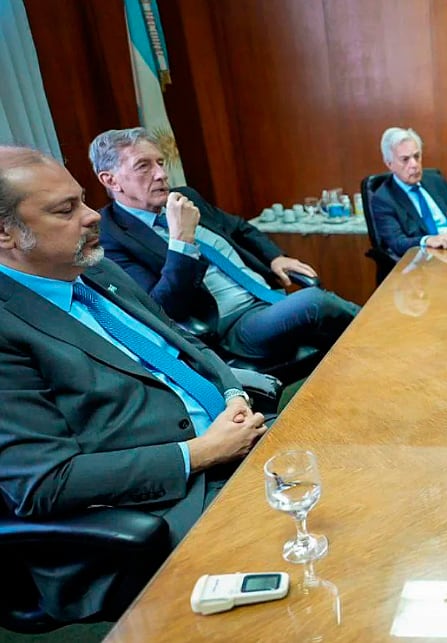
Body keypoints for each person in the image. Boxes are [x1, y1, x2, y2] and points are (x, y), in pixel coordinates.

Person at [0, 146, 268, 620]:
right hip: (160, 504)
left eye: (83, 200)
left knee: (358, 471)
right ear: (5, 233)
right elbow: (43, 483)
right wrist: (202, 453)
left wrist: (231, 393)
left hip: (231, 443)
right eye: (66, 210)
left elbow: (183, 342)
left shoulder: (95, 268)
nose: (91, 217)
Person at [89, 128, 360, 362]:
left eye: (161, 162)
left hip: (267, 296)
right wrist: (182, 242)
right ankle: (392, 338)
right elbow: (162, 310)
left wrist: (275, 258)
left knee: (342, 343)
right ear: (110, 180)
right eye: (143, 166)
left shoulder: (184, 197)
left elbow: (239, 228)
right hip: (230, 325)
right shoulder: (111, 237)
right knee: (315, 302)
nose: (161, 174)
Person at [370, 127, 447, 257]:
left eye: (416, 156)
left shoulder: (435, 181)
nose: (414, 164)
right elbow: (397, 243)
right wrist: (428, 240)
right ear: (389, 164)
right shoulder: (383, 199)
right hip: (428, 262)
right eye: (405, 159)